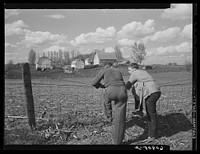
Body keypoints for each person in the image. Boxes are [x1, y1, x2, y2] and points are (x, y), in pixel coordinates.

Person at [92, 62, 128, 144]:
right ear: (112, 66)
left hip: (110, 90)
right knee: (120, 114)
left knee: (106, 102)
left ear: (106, 66)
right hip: (122, 91)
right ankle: (117, 141)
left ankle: (109, 118)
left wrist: (101, 86)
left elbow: (94, 82)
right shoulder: (118, 71)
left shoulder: (104, 70)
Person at [125, 62, 161, 141]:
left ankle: (152, 136)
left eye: (129, 70)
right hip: (156, 90)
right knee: (151, 113)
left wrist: (121, 90)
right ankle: (153, 133)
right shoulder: (143, 72)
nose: (129, 72)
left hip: (151, 92)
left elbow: (128, 85)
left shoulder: (135, 73)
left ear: (134, 68)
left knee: (151, 114)